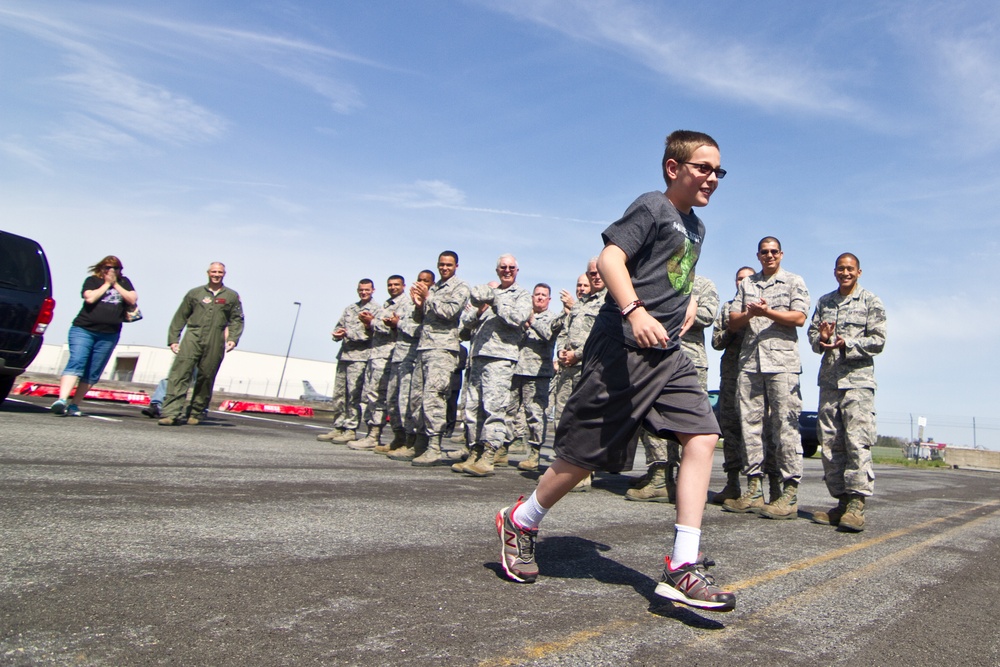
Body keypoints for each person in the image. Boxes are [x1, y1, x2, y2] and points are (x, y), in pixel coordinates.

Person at [495, 130, 736, 612]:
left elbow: (670, 272)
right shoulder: (652, 206)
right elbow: (611, 258)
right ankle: (521, 519)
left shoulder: (697, 228)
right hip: (621, 348)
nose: (713, 178)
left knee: (703, 435)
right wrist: (635, 311)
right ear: (674, 169)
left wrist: (685, 304)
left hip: (667, 353)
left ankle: (681, 567)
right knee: (584, 457)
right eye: (703, 168)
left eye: (719, 171)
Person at [723, 237, 810, 519]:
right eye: (764, 252)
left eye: (774, 251)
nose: (769, 255)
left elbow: (799, 317)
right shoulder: (748, 285)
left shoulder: (794, 281)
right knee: (750, 426)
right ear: (758, 255)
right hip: (750, 363)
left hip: (782, 364)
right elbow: (733, 321)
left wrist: (767, 312)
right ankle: (754, 490)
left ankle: (789, 493)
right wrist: (750, 313)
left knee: (784, 426)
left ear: (781, 254)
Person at [807, 253, 886, 532]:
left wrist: (846, 343)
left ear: (859, 272)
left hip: (857, 383)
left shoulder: (870, 302)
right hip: (829, 383)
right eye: (841, 269)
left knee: (856, 442)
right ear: (834, 272)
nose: (845, 273)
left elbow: (878, 340)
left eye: (850, 269)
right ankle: (840, 502)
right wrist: (824, 339)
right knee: (830, 444)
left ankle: (856, 506)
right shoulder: (825, 302)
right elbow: (813, 336)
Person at [627, 273, 718, 503]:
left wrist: (684, 304)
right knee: (654, 417)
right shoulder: (662, 278)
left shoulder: (705, 285)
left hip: (690, 359)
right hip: (658, 354)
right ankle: (659, 475)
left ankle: (684, 482)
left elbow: (708, 315)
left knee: (690, 423)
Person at [452, 255, 532, 475]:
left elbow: (518, 318)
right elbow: (465, 324)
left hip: (501, 358)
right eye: (503, 267)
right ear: (497, 271)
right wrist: (480, 309)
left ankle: (490, 454)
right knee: (473, 408)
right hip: (477, 357)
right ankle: (475, 452)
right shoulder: (487, 296)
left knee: (494, 407)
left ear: (517, 270)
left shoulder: (521, 295)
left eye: (511, 268)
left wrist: (496, 301)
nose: (507, 270)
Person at [396, 251, 470, 463]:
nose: (444, 268)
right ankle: (419, 444)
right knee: (417, 398)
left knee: (433, 397)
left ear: (456, 266)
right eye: (441, 265)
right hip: (424, 347)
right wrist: (419, 304)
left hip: (442, 349)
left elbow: (450, 312)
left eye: (448, 265)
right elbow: (423, 317)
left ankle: (434, 446)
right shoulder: (435, 287)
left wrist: (429, 297)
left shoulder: (460, 287)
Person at [50, 255, 138, 417]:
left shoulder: (125, 282)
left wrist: (116, 284)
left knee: (92, 371)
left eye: (115, 268)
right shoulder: (92, 281)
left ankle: (74, 405)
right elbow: (90, 298)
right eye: (107, 268)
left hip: (109, 334)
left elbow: (132, 299)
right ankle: (62, 400)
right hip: (84, 330)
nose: (111, 271)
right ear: (101, 268)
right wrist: (106, 284)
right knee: (77, 361)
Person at [158, 262, 244, 426]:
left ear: (224, 274)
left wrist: (233, 338)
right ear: (208, 273)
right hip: (193, 335)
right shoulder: (195, 293)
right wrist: (174, 339)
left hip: (216, 338)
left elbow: (237, 319)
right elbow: (180, 316)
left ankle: (196, 412)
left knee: (206, 376)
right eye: (213, 271)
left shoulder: (231, 296)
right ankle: (171, 413)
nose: (216, 274)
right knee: (180, 374)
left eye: (219, 272)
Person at [709, 266, 756, 504]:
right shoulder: (728, 308)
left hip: (757, 378)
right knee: (730, 430)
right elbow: (716, 341)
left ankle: (756, 487)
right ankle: (732, 483)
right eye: (739, 279)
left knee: (755, 432)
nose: (743, 283)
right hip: (730, 377)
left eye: (747, 279)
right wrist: (732, 326)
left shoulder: (763, 308)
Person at [378, 270, 435, 456]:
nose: (421, 284)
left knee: (408, 401)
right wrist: (393, 324)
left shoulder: (430, 303)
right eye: (419, 280)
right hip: (399, 356)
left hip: (413, 358)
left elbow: (423, 330)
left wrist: (399, 324)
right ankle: (399, 437)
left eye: (426, 281)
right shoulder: (408, 304)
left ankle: (411, 441)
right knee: (392, 400)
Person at [505, 283, 560, 472]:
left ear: (549, 299)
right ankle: (502, 449)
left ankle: (534, 454)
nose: (539, 298)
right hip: (516, 370)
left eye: (543, 295)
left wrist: (532, 320)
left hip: (537, 373)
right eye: (537, 294)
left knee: (535, 414)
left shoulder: (551, 318)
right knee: (508, 411)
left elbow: (549, 334)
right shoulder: (522, 316)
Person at [316, 279, 378, 442]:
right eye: (361, 290)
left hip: (360, 358)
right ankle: (338, 426)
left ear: (373, 290)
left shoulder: (376, 310)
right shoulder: (350, 308)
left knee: (353, 395)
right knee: (339, 393)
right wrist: (337, 334)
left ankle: (350, 429)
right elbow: (339, 326)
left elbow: (370, 333)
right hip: (344, 355)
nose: (363, 292)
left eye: (367, 290)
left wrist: (348, 333)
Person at [350, 276, 407, 450]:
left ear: (403, 286)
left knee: (379, 395)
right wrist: (369, 323)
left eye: (396, 285)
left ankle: (375, 434)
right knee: (371, 394)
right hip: (376, 354)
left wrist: (372, 322)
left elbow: (392, 326)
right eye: (390, 285)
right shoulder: (387, 304)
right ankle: (371, 433)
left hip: (387, 355)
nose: (392, 287)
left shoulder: (404, 304)